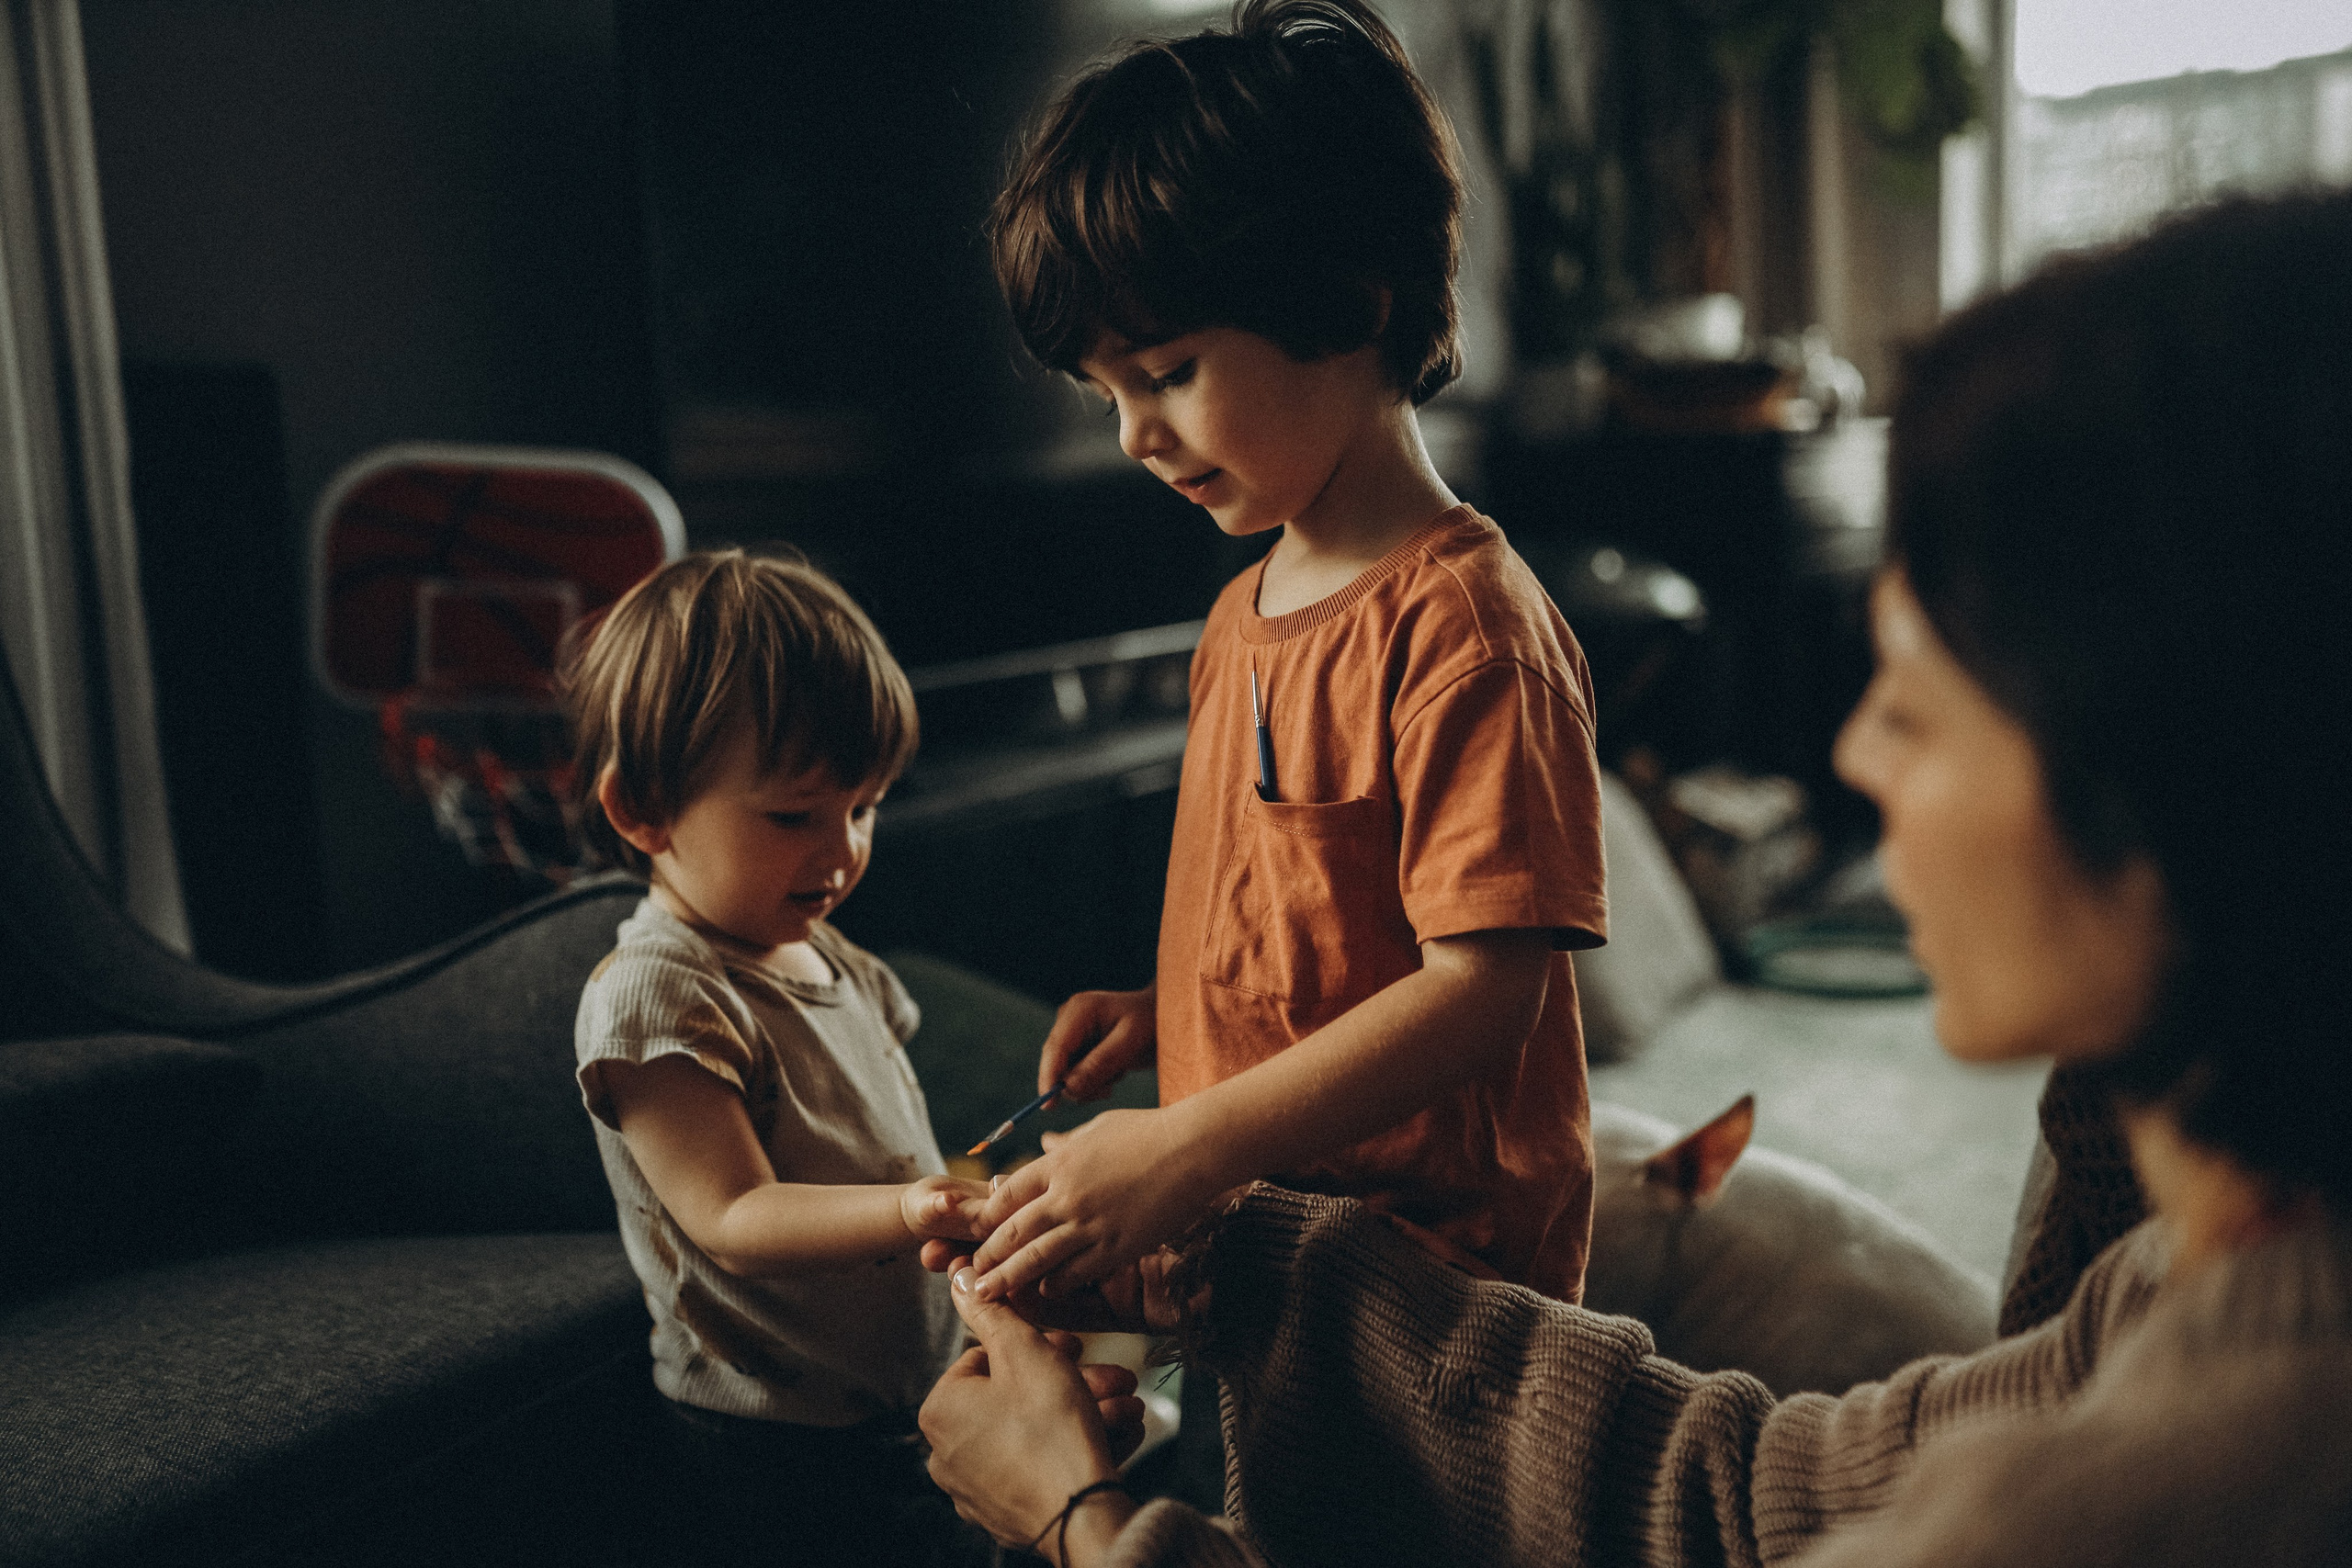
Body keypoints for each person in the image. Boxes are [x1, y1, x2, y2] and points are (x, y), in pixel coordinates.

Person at [919, 188, 2352, 1566]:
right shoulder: (2189, 1285)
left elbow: (1484, 991)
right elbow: (1763, 1490)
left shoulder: (2180, 1480)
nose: (1853, 751)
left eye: (1914, 695)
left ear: (2181, 769)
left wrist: (1086, 1524)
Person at [966, 0, 1609, 1314]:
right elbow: (1318, 922)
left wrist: (1189, 1136)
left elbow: (1487, 994)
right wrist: (1177, 1006)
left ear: (1350, 299)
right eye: (1108, 396)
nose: (1135, 434)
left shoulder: (1466, 629)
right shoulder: (1238, 619)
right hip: (1270, 1248)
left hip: (1438, 1295)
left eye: (1168, 370)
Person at [561, 549, 998, 1565]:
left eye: (865, 806)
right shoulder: (658, 995)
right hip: (772, 1438)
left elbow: (883, 1150)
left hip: (897, 1397)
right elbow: (732, 1217)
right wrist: (915, 1208)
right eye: (795, 816)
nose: (842, 850)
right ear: (644, 813)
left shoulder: (826, 954)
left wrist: (977, 1199)